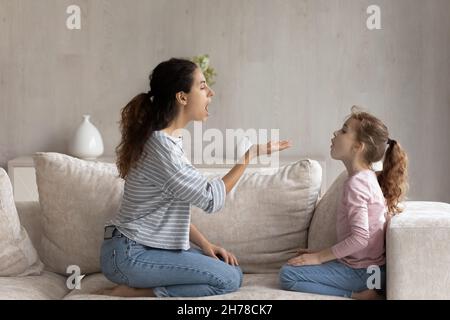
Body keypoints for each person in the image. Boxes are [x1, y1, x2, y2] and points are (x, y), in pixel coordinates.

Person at [99, 58, 291, 297]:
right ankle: (134, 293)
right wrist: (249, 156)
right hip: (128, 255)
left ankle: (138, 288)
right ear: (182, 97)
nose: (211, 92)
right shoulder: (161, 148)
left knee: (232, 271)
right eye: (202, 86)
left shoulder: (169, 142)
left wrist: (206, 244)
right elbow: (211, 198)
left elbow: (166, 211)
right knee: (229, 278)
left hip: (143, 249)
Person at [279, 106, 408, 299]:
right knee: (293, 265)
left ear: (358, 146)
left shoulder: (357, 184)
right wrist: (321, 253)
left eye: (344, 130)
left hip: (362, 273)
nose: (335, 133)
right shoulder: (366, 177)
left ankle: (358, 295)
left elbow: (360, 238)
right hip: (371, 270)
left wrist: (318, 257)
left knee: (288, 275)